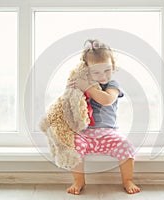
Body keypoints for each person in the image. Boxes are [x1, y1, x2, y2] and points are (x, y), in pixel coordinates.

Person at [67, 39, 140, 195]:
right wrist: (75, 86)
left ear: (113, 66)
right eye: (96, 72)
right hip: (85, 134)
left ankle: (127, 180)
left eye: (107, 70)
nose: (103, 76)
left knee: (126, 146)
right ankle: (79, 180)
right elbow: (69, 101)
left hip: (107, 133)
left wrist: (87, 87)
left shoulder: (112, 85)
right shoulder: (83, 84)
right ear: (87, 71)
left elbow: (107, 100)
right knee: (72, 147)